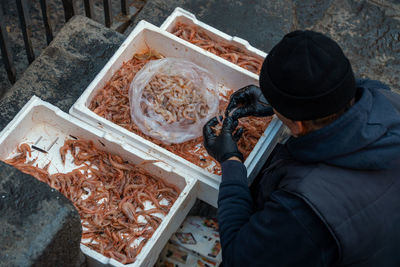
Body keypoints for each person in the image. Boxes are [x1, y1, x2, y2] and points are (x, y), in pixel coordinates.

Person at [203, 30, 400, 266]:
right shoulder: (387, 100)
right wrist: (275, 101)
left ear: (297, 125)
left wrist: (230, 161)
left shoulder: (302, 209)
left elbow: (239, 258)